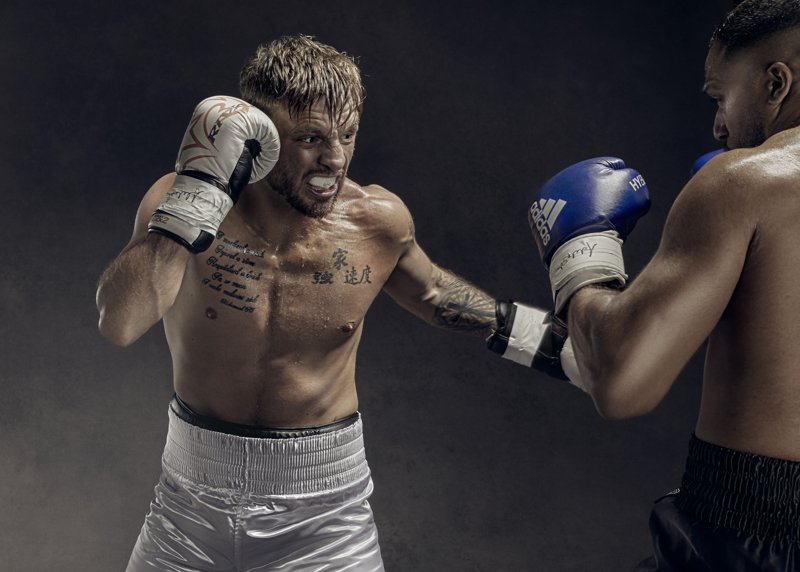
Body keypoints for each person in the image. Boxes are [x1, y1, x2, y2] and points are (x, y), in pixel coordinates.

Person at [96, 34, 558, 571]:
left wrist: (558, 348)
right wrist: (196, 191)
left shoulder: (376, 222)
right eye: (311, 137)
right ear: (258, 133)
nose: (334, 159)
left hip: (324, 519)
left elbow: (434, 293)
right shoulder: (184, 199)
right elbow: (120, 323)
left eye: (348, 135)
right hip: (188, 506)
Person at [507, 0, 800, 569]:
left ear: (775, 83)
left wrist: (580, 252)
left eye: (720, 97)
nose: (717, 125)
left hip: (750, 537)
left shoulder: (743, 183)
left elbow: (623, 382)